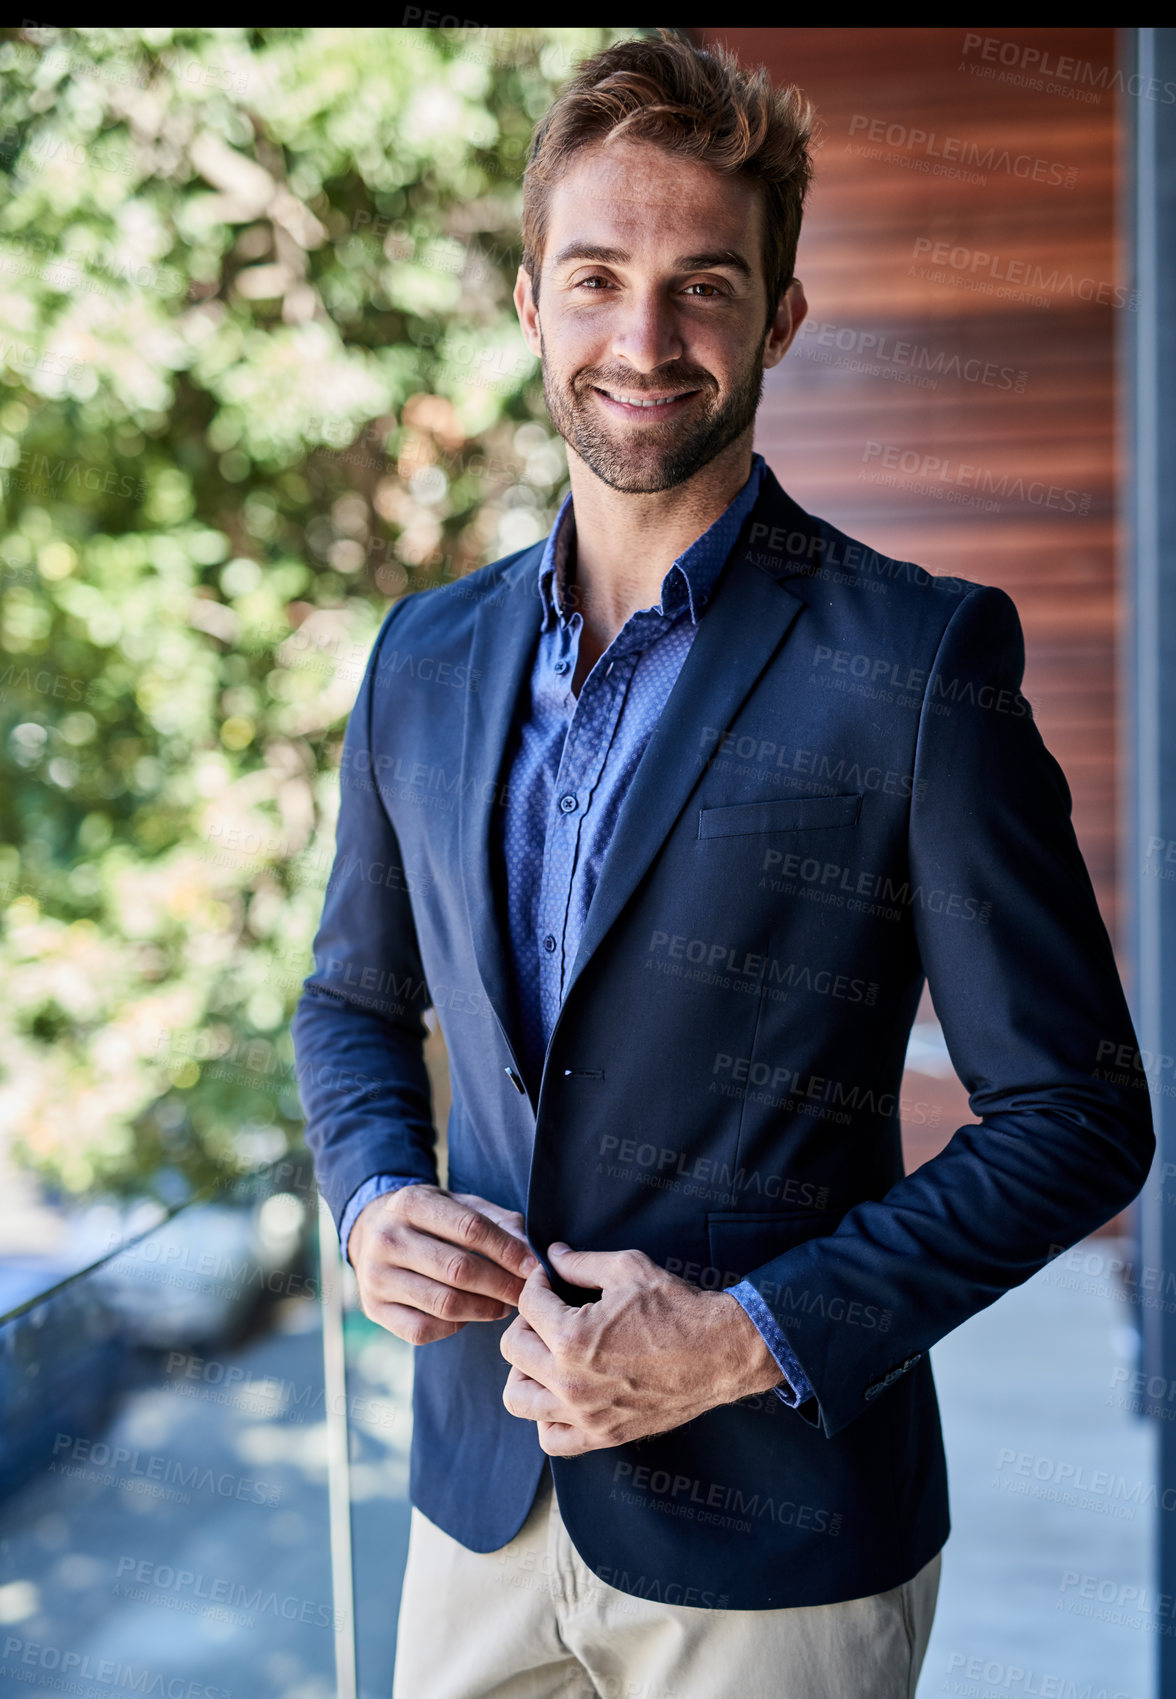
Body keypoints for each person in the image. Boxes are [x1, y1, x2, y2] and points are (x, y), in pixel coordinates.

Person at [292, 32, 1154, 1699]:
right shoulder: (423, 656)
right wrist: (373, 1197)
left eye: (703, 285)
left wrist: (743, 1336)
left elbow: (1079, 1118)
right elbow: (350, 1001)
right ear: (532, 303)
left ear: (781, 317)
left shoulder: (919, 662)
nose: (644, 338)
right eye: (599, 277)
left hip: (780, 1542)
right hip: (473, 1511)